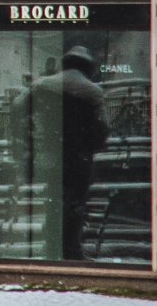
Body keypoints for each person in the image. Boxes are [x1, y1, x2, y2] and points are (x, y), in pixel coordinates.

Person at [27, 46, 107, 261]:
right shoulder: (92, 92)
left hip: (50, 155)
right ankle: (71, 249)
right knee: (75, 204)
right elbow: (101, 128)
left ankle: (50, 247)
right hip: (79, 157)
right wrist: (94, 144)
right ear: (87, 67)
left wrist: (29, 139)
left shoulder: (43, 86)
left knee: (53, 201)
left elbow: (19, 108)